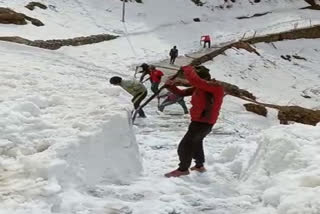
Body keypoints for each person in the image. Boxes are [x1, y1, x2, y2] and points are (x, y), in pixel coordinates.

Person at [164, 65, 224, 178]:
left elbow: (194, 80)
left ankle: (183, 169)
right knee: (196, 142)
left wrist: (188, 68)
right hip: (200, 121)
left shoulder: (215, 87)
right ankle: (199, 165)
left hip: (203, 122)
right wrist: (170, 86)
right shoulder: (200, 87)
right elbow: (182, 93)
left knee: (184, 146)